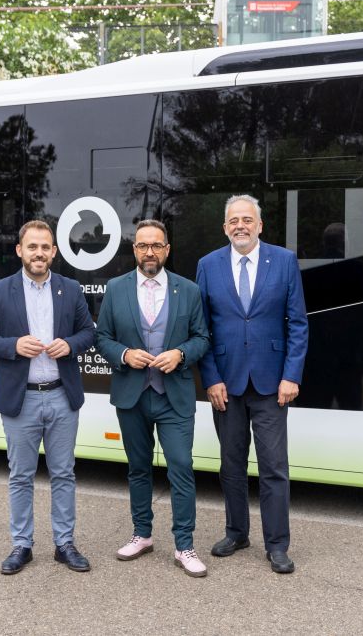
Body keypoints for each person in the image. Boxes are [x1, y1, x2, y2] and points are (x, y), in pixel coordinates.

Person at [0, 219, 95, 575]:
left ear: (54, 252)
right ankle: (21, 545)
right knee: (21, 476)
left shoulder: (70, 289)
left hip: (61, 397)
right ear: (20, 250)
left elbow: (89, 333)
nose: (39, 253)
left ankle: (64, 544)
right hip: (20, 400)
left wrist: (70, 344)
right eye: (33, 246)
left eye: (45, 247)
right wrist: (13, 345)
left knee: (64, 473)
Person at [196, 195, 308, 574]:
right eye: (233, 220)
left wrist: (291, 375)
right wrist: (210, 378)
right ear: (225, 227)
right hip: (225, 384)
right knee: (231, 465)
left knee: (274, 468)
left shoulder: (285, 261)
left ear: (260, 225)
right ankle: (236, 532)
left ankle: (277, 544)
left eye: (247, 219)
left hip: (271, 383)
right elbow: (201, 329)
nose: (240, 225)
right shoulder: (207, 265)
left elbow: (298, 324)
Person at [95, 219, 210, 577]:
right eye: (143, 245)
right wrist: (124, 354)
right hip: (132, 394)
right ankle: (142, 534)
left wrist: (180, 355)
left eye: (156, 245)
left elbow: (202, 338)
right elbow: (102, 338)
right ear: (134, 250)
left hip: (173, 394)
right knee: (138, 470)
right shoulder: (115, 288)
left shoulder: (188, 290)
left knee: (181, 468)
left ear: (167, 250)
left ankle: (184, 545)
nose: (149, 251)